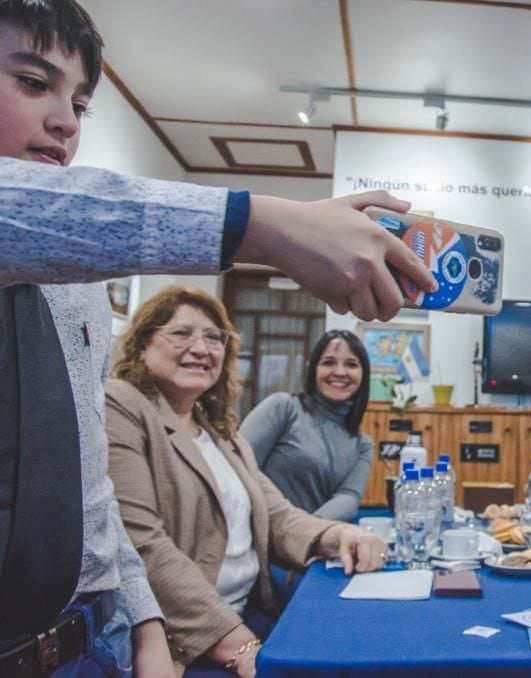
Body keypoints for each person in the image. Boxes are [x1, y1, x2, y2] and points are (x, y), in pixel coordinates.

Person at [0, 1, 433, 674]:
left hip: (100, 641)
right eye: (32, 83)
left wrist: (142, 620)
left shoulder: (212, 424)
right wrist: (266, 226)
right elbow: (28, 210)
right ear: (142, 344)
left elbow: (108, 513)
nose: (63, 121)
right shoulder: (131, 406)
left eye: (80, 105)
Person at [105, 287, 386, 677]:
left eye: (214, 337)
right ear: (141, 345)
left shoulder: (221, 432)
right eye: (182, 333)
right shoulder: (123, 405)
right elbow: (141, 542)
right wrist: (236, 642)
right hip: (185, 639)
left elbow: (276, 514)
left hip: (251, 612)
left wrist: (336, 537)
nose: (201, 347)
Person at [240, 330, 373, 523]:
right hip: (257, 535)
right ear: (313, 369)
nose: (340, 372)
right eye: (329, 362)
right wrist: (288, 527)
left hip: (313, 544)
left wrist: (303, 532)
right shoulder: (283, 408)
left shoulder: (363, 444)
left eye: (351, 364)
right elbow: (240, 468)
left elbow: (348, 498)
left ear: (363, 375)